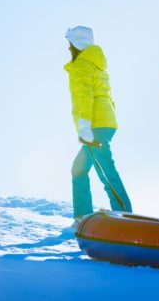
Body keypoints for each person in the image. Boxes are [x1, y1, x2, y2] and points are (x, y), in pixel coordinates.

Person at [65, 26, 132, 225]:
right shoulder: (96, 62)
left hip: (94, 124)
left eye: (69, 43)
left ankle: (124, 215)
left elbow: (83, 96)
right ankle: (82, 216)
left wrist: (84, 125)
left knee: (104, 169)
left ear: (75, 44)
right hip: (104, 122)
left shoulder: (82, 64)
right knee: (78, 169)